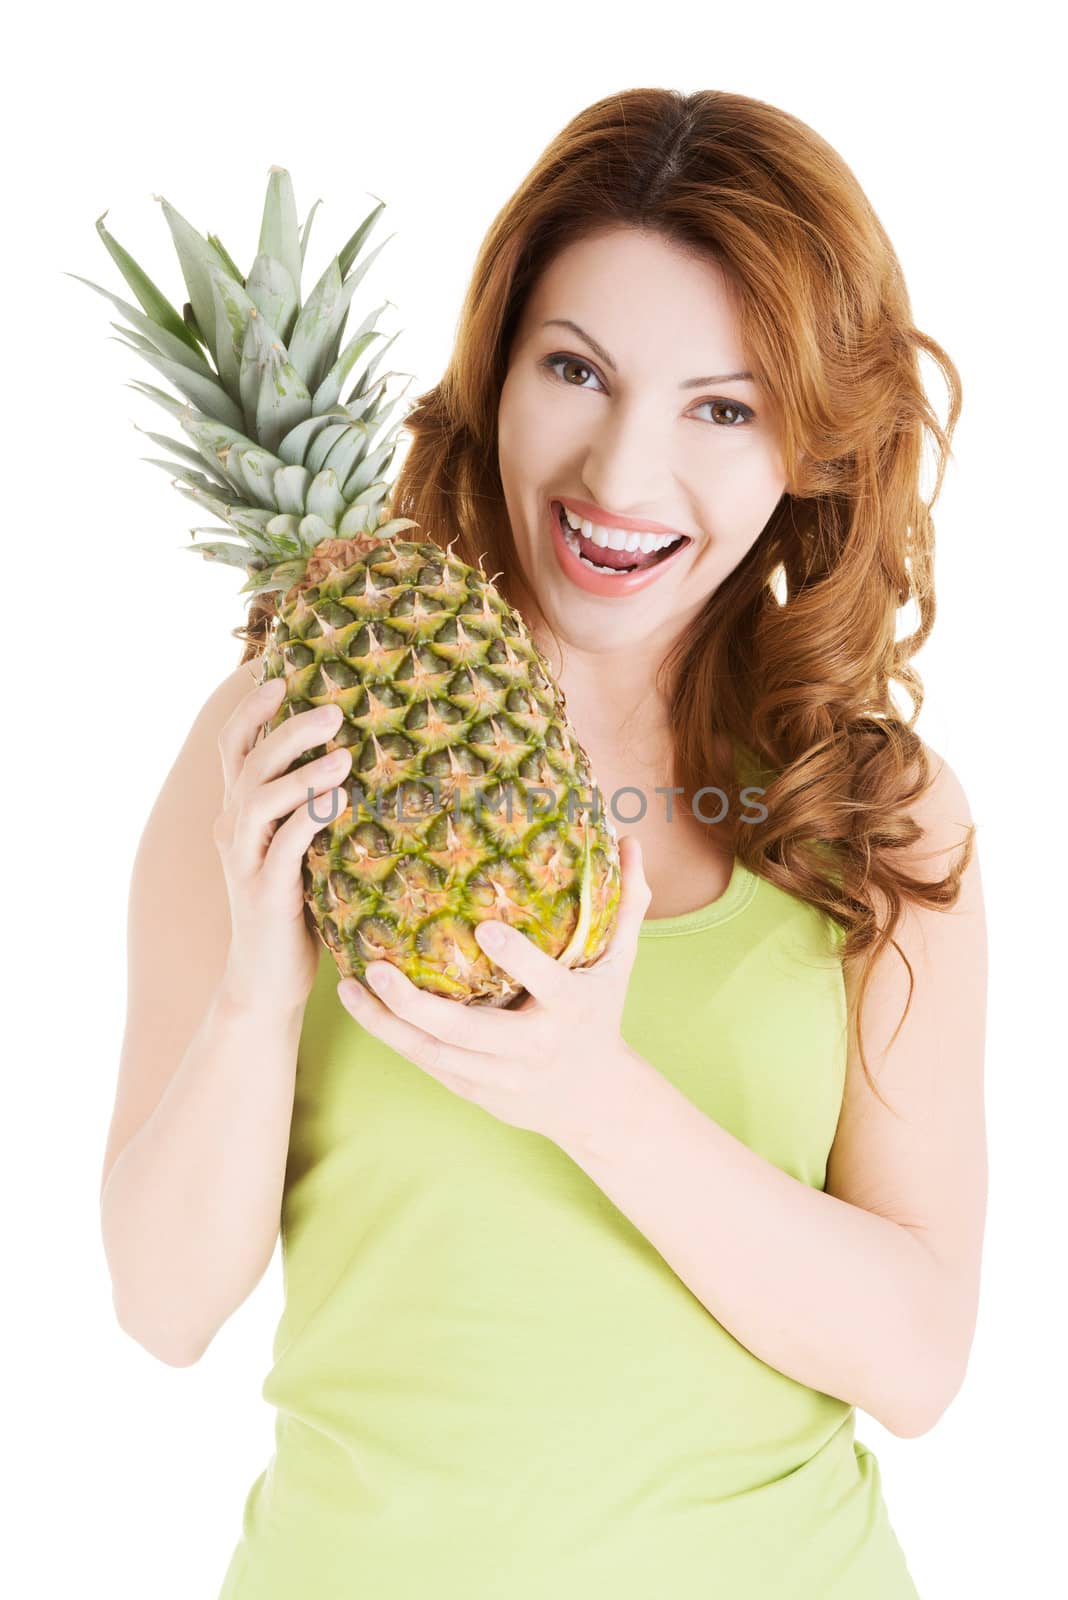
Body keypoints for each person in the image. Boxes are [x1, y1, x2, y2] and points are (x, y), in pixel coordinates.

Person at [99, 88, 987, 1599]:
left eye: (726, 405)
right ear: (494, 373)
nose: (622, 479)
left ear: (814, 446)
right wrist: (259, 987)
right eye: (577, 370)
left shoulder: (873, 802)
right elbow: (163, 1310)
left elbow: (917, 1359)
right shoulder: (279, 745)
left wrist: (592, 1094)